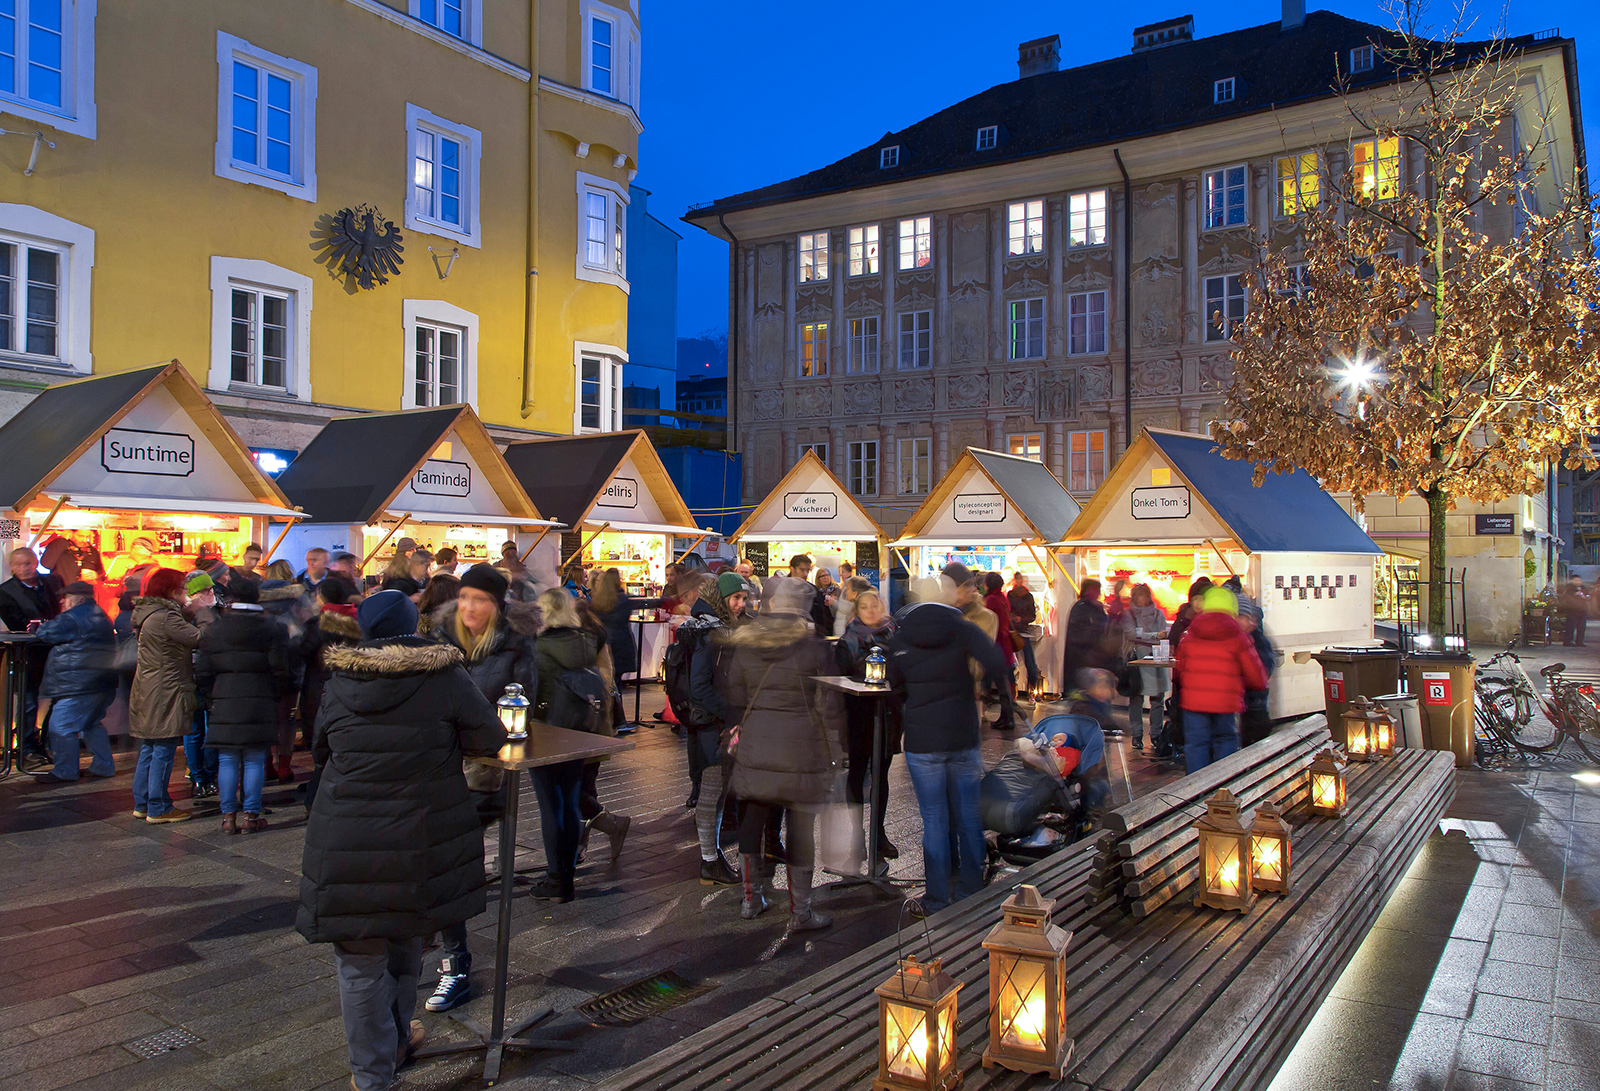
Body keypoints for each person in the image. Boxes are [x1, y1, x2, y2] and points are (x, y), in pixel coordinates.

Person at [298, 589, 506, 1091]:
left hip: (346, 837)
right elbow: (490, 739)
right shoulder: (444, 677)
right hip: (420, 835)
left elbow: (319, 745)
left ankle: (372, 1074)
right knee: (406, 940)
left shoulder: (341, 679)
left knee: (359, 960)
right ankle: (393, 1040)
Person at [423, 564, 541, 1012]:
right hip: (435, 765)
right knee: (433, 863)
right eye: (466, 597)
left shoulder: (515, 644)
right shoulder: (438, 640)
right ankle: (434, 941)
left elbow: (518, 702)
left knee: (448, 864)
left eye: (482, 600)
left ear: (498, 605)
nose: (471, 607)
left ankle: (455, 965)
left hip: (481, 773)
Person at [725, 579, 845, 929]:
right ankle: (801, 912)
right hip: (801, 746)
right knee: (800, 826)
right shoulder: (814, 645)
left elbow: (735, 693)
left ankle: (750, 900)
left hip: (757, 742)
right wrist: (838, 747)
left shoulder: (747, 641)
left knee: (753, 817)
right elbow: (831, 702)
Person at [887, 576, 1008, 915]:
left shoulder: (902, 635)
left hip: (923, 740)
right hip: (961, 734)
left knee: (934, 820)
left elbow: (892, 684)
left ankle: (937, 897)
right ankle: (971, 889)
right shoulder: (963, 627)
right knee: (968, 816)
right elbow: (999, 662)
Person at [526, 589, 604, 905]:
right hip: (578, 730)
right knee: (571, 802)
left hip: (546, 730)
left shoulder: (540, 646)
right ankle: (567, 874)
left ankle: (556, 878)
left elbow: (534, 689)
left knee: (550, 805)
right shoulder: (585, 641)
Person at [196, 580, 292, 833]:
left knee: (227, 759)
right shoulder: (272, 629)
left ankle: (228, 818)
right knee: (254, 759)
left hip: (224, 700)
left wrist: (211, 698)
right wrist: (273, 695)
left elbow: (203, 670)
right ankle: (251, 815)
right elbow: (282, 670)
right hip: (259, 700)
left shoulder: (216, 630)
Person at [676, 572, 746, 886]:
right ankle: (709, 861)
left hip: (714, 722)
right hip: (712, 725)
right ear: (721, 598)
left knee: (715, 792)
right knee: (711, 793)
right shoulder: (709, 632)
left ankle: (712, 857)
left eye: (744, 599)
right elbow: (700, 687)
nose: (741, 605)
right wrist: (731, 714)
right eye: (736, 598)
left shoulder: (718, 624)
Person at [129, 568, 205, 823]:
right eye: (183, 589)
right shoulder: (165, 617)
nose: (186, 593)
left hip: (149, 687)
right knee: (164, 747)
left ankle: (142, 803)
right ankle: (159, 806)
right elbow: (198, 638)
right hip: (165, 689)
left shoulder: (149, 612)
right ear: (173, 591)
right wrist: (204, 611)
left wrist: (189, 610)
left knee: (150, 748)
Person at [1173, 586, 1268, 774]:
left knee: (1195, 744)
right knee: (1225, 740)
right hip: (1226, 704)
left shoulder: (1189, 635)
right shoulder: (1240, 638)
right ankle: (1223, 793)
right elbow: (1258, 678)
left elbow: (1179, 671)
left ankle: (1195, 794)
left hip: (1194, 704)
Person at [30, 580, 117, 783]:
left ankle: (65, 771)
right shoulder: (99, 614)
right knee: (92, 724)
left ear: (78, 598)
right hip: (100, 681)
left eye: (66, 597)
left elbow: (46, 633)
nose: (62, 601)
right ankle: (103, 766)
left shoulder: (74, 616)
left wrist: (38, 627)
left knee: (60, 726)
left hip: (80, 684)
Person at [837, 588, 899, 865]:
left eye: (875, 605)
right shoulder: (848, 641)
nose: (872, 611)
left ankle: (879, 832)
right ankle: (855, 835)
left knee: (881, 774)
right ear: (856, 611)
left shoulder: (896, 635)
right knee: (857, 773)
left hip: (888, 715)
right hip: (859, 715)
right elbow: (838, 679)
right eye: (865, 607)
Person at [298, 577, 363, 813]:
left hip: (320, 688)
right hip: (352, 687)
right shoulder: (359, 621)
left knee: (321, 745)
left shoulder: (318, 624)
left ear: (321, 596)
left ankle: (313, 801)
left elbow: (302, 652)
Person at [2, 546, 62, 755]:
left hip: (56, 651)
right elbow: (17, 624)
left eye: (27, 563)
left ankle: (48, 740)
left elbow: (62, 610)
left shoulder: (53, 582)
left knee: (59, 698)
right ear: (11, 567)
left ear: (35, 563)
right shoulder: (6, 591)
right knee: (28, 700)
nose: (23, 568)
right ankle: (27, 745)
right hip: (29, 653)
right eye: (17, 565)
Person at [181, 572, 221, 797]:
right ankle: (200, 777)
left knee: (200, 730)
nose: (211, 594)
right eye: (206, 591)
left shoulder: (185, 612)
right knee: (198, 729)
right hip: (199, 677)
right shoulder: (190, 614)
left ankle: (204, 777)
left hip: (199, 676)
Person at [1126, 583, 1170, 752]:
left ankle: (1156, 734)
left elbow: (1162, 633)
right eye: (1137, 596)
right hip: (1138, 659)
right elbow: (1131, 634)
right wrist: (1153, 636)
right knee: (1136, 698)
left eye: (1143, 595)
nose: (1140, 599)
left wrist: (1153, 637)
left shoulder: (1158, 613)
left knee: (1157, 698)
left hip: (1157, 658)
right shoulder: (1129, 615)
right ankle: (1137, 735)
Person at [1237, 601, 1277, 747]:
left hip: (1255, 700)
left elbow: (1264, 670)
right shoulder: (1245, 639)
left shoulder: (1257, 640)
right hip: (1248, 700)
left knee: (1255, 737)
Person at [1063, 579, 1107, 692]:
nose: (1098, 593)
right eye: (1095, 590)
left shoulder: (1092, 607)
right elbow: (1081, 633)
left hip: (1089, 656)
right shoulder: (1081, 607)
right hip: (1082, 657)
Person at [982, 571, 1018, 707]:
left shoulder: (991, 599)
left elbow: (985, 619)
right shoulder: (1002, 597)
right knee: (1004, 682)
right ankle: (1007, 716)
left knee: (990, 681)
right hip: (1005, 643)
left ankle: (1002, 716)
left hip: (996, 643)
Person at [1007, 572, 1042, 698]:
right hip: (1013, 631)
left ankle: (1030, 690)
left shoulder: (1027, 596)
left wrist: (1020, 619)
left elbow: (1032, 615)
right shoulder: (1011, 595)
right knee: (1012, 664)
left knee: (1030, 665)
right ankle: (1018, 691)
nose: (1018, 581)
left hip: (1021, 631)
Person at [1560, 575, 1589, 647]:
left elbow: (1588, 596)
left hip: (1582, 610)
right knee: (1571, 626)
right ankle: (1568, 641)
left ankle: (1579, 641)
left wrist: (1586, 597)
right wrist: (1574, 595)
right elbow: (1566, 597)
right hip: (1572, 610)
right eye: (1576, 580)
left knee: (1582, 627)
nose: (1578, 582)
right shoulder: (1569, 588)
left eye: (1579, 580)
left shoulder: (1583, 588)